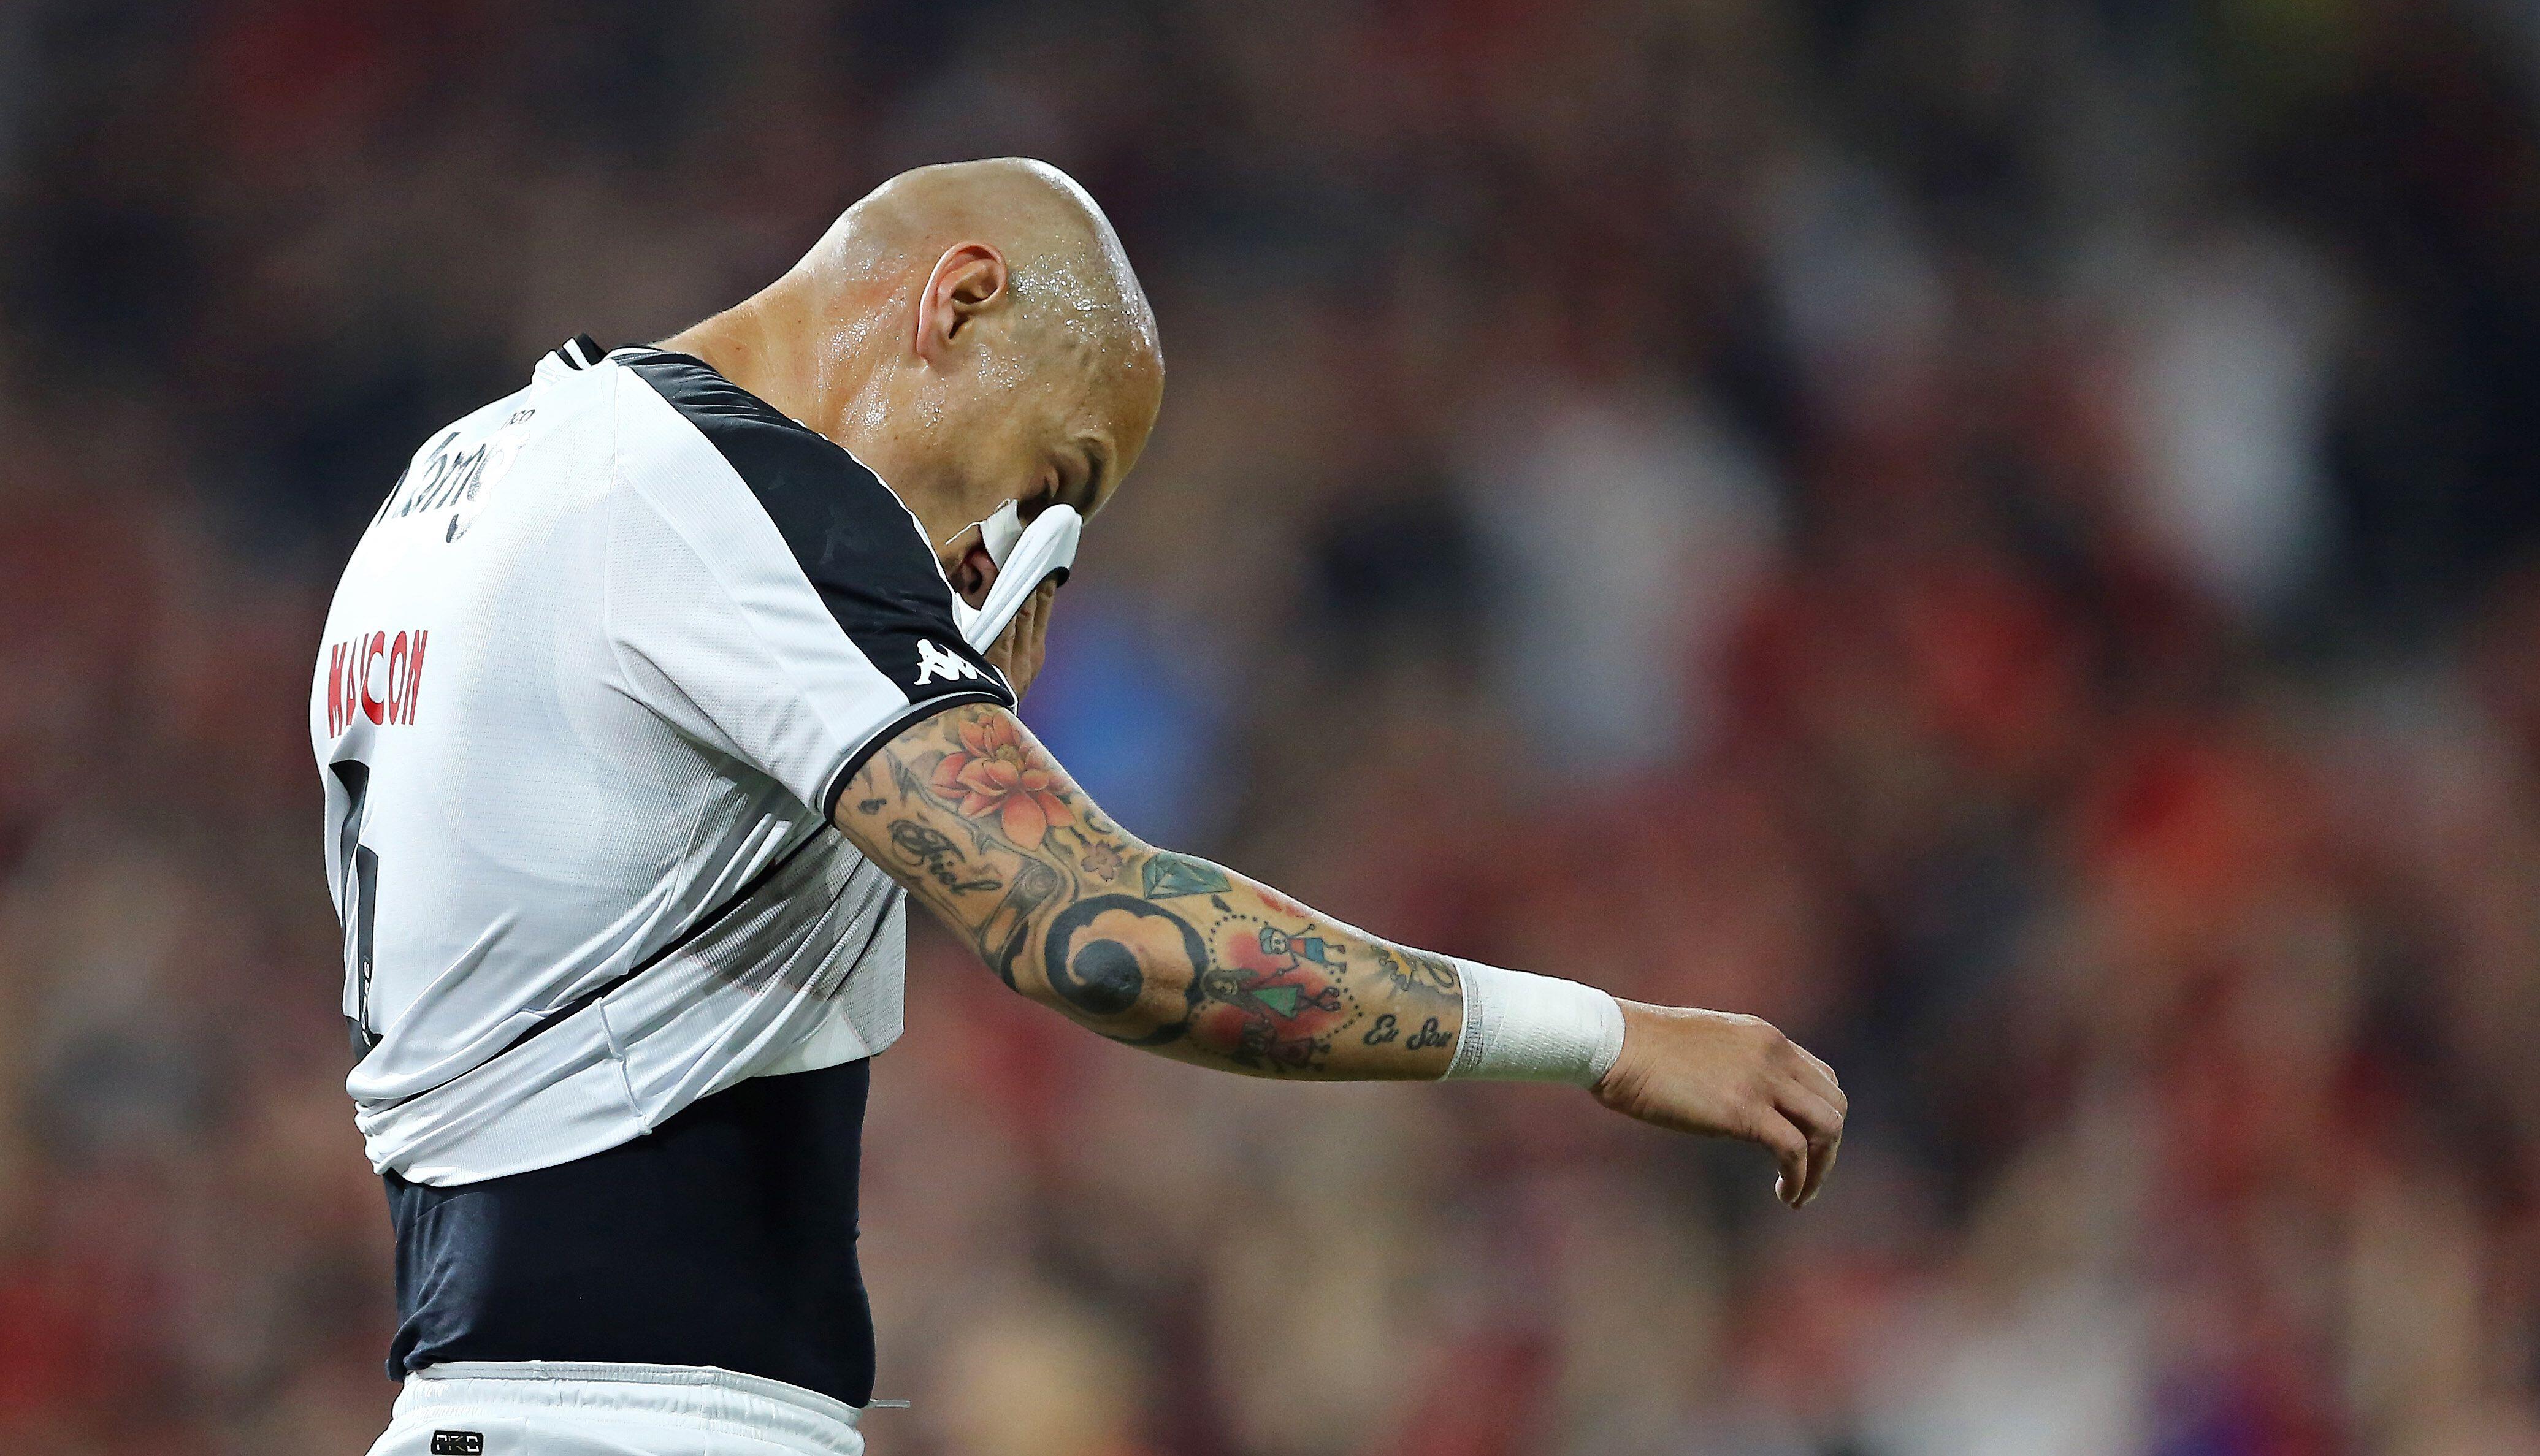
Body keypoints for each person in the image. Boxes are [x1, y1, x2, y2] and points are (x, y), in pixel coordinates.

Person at [312, 158, 1846, 1456]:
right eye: (1056, 474)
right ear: (959, 300)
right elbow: (1101, 934)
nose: (1014, 547)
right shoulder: (744, 497)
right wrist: (1604, 1035)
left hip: (491, 1398)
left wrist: (943, 681)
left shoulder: (458, 479)